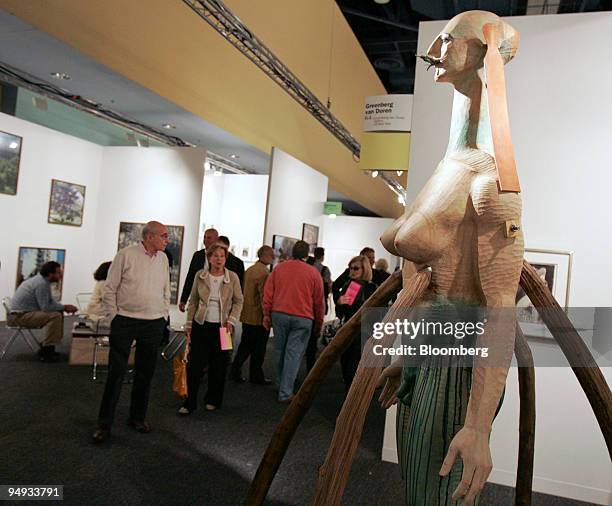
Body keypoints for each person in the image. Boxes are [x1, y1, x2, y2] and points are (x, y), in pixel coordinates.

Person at [377, 11, 523, 505]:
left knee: (437, 495)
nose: (434, 49)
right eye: (436, 39)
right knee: (415, 489)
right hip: (426, 346)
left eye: (447, 40)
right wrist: (406, 351)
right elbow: (420, 270)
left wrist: (478, 424)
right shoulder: (452, 160)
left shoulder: (490, 182)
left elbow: (501, 304)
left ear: (481, 50)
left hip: (460, 358)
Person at [92, 221, 170, 443]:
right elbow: (110, 288)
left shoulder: (163, 259)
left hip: (153, 322)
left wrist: (163, 313)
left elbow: (165, 288)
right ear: (150, 237)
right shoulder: (125, 255)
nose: (167, 239)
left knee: (145, 374)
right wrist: (114, 316)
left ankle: (136, 418)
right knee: (116, 373)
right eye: (164, 235)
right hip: (125, 320)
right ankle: (104, 424)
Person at [179, 243, 243, 414]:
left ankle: (213, 399)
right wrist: (189, 323)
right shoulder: (200, 276)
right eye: (215, 256)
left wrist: (231, 320)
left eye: (222, 256)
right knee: (195, 365)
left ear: (226, 258)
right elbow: (193, 301)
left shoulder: (233, 277)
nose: (219, 259)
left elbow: (238, 301)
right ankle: (189, 402)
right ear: (209, 258)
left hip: (224, 329)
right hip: (202, 326)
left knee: (220, 365)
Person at [263, 240, 324, 403]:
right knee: (293, 354)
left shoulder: (279, 269)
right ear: (307, 254)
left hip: (279, 314)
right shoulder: (313, 273)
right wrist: (319, 323)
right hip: (303, 317)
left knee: (279, 350)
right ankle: (285, 392)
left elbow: (268, 294)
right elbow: (319, 301)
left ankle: (280, 384)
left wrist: (266, 315)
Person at [7, 261, 78, 362]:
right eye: (58, 273)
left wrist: (63, 307)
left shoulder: (41, 281)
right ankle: (47, 351)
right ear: (50, 274)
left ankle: (48, 345)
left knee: (58, 313)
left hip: (20, 314)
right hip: (17, 317)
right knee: (55, 316)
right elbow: (45, 307)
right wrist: (65, 307)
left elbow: (50, 303)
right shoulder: (41, 283)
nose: (61, 275)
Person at [230, 245, 274, 384]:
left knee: (245, 345)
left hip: (247, 314)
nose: (273, 258)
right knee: (258, 349)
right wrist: (267, 315)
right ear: (264, 256)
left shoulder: (250, 270)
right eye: (271, 255)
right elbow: (263, 296)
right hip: (258, 316)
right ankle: (255, 376)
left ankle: (235, 370)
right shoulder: (264, 273)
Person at [334, 256, 376, 392]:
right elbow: (341, 312)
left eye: (356, 268)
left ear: (364, 269)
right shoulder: (349, 285)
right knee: (347, 367)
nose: (352, 271)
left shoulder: (371, 287)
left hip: (363, 334)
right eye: (350, 268)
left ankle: (352, 403)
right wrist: (340, 303)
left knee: (353, 369)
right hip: (350, 331)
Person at [178, 227, 219, 312]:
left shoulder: (221, 257)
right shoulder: (197, 255)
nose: (205, 240)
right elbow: (190, 277)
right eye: (204, 237)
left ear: (216, 239)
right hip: (197, 299)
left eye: (209, 238)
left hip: (215, 301)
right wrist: (183, 300)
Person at [305, 247, 332, 371]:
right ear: (322, 255)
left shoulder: (306, 267)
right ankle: (310, 367)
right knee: (313, 338)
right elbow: (328, 286)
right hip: (316, 304)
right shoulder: (324, 270)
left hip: (304, 305)